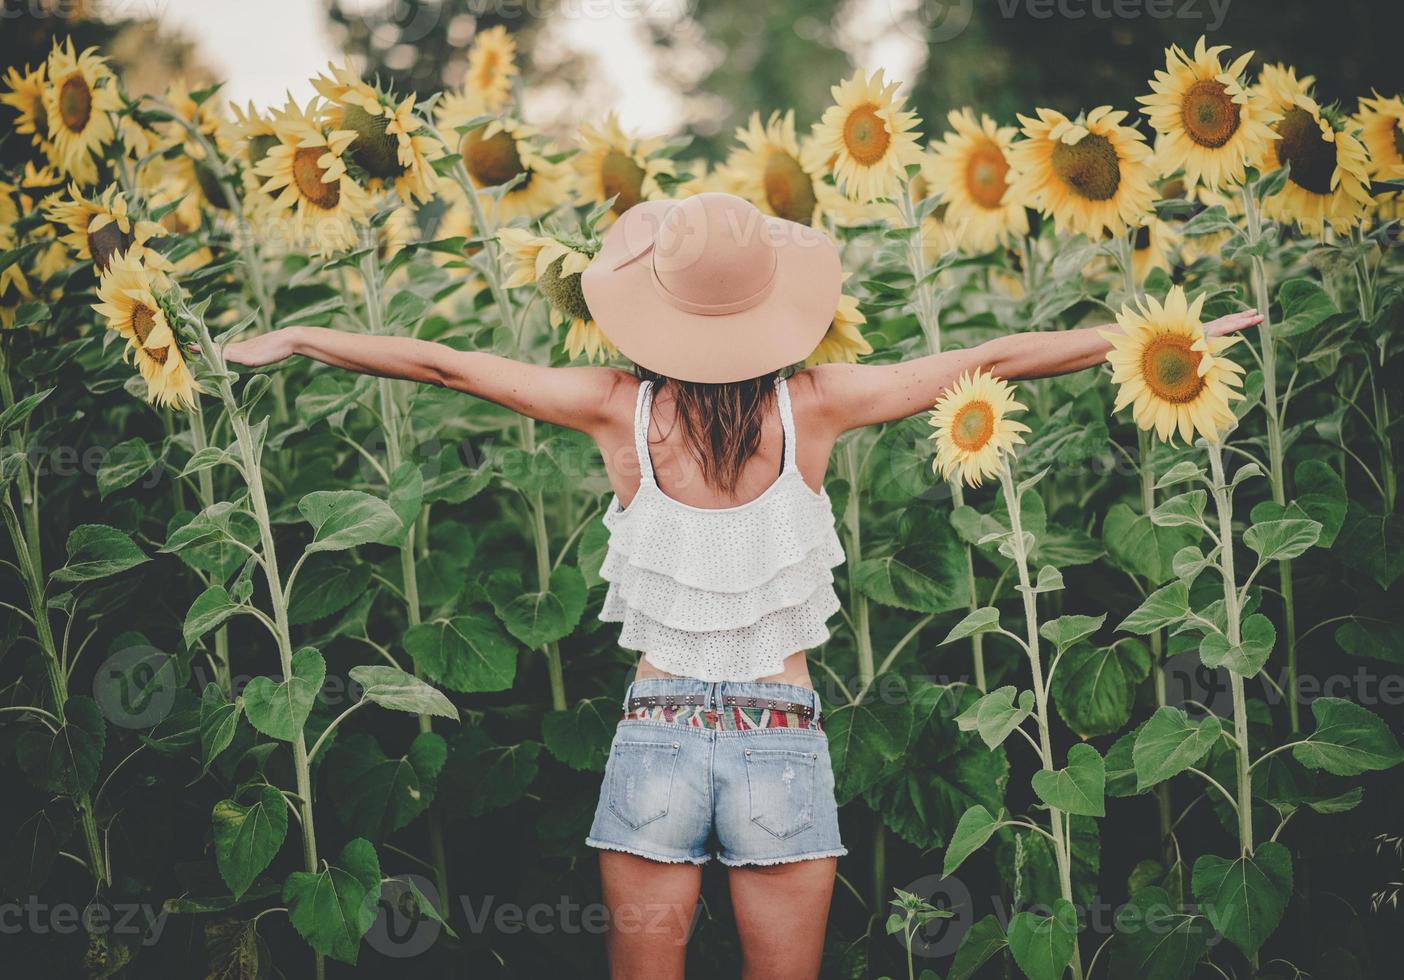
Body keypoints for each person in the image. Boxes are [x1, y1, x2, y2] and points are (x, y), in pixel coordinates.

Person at [219, 192, 1261, 979]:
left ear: (657, 309)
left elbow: (444, 364)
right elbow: (997, 354)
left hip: (656, 728)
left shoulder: (612, 409)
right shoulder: (820, 404)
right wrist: (1159, 338)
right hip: (780, 730)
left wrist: (301, 334)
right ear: (769, 309)